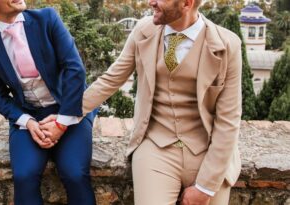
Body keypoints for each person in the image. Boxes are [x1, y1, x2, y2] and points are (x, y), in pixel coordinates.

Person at [43, 0, 242, 204]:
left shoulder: (227, 45)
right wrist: (65, 117)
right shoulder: (144, 30)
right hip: (156, 147)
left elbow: (228, 119)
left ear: (186, 3)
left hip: (207, 149)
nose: (151, 2)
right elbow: (111, 79)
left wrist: (204, 187)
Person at [0, 0, 96, 204]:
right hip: (29, 116)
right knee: (24, 176)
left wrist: (62, 122)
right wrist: (27, 122)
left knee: (74, 173)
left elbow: (75, 69)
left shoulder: (47, 19)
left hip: (69, 108)